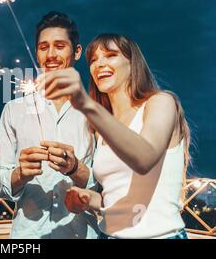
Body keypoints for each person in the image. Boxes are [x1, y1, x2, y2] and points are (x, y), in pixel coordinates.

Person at [39, 34, 190, 239]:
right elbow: (118, 199)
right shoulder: (103, 127)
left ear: (132, 63)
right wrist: (88, 198)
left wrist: (86, 104)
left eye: (110, 55)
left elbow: (145, 158)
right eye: (93, 60)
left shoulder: (160, 103)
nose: (99, 64)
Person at [0, 11, 98, 239]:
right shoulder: (14, 110)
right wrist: (20, 174)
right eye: (43, 47)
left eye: (60, 46)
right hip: (28, 236)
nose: (51, 54)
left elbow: (106, 184)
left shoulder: (97, 113)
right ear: (36, 52)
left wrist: (75, 168)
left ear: (77, 51)